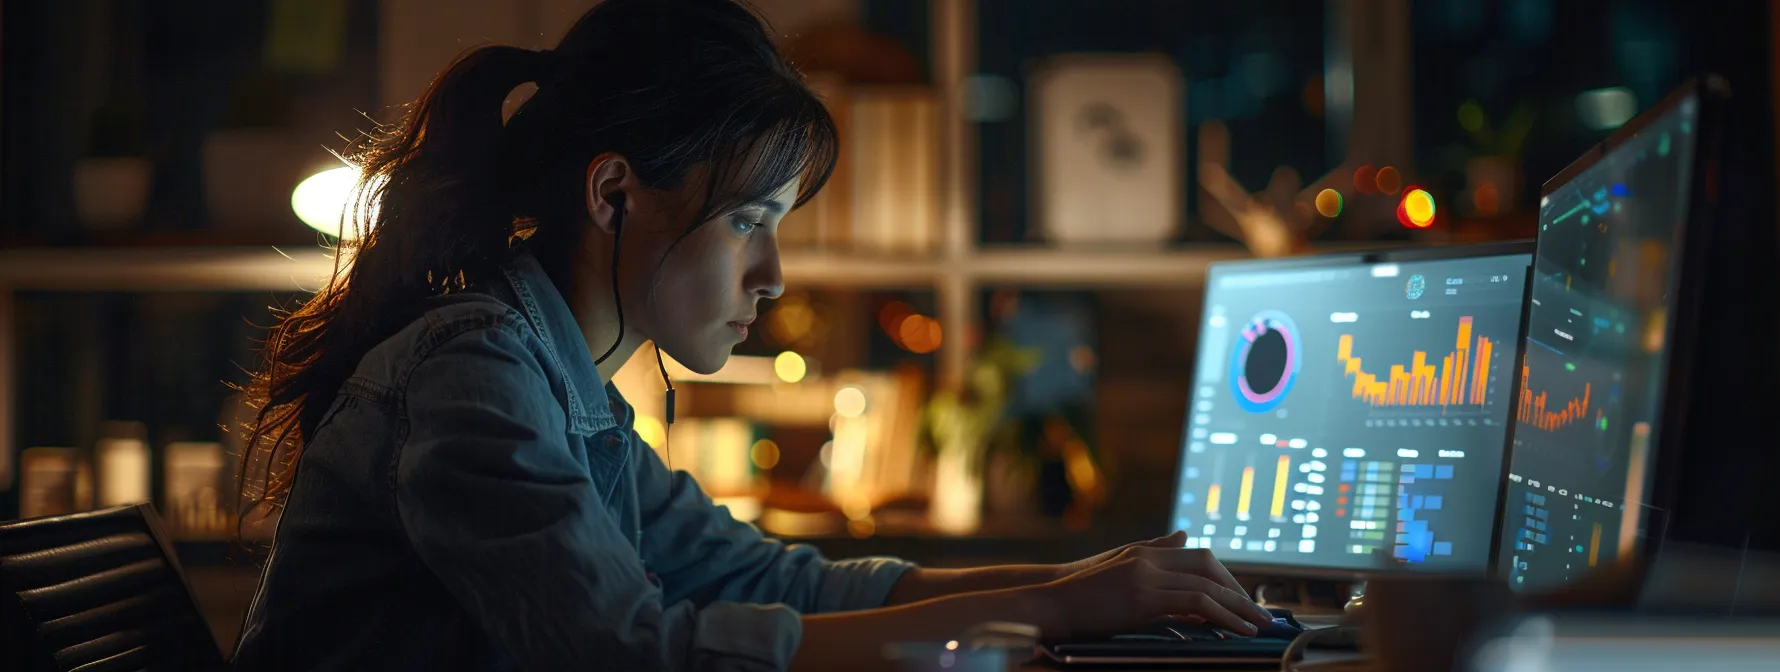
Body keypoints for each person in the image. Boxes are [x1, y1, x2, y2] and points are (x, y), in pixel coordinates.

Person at [230, 0, 1273, 669]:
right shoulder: (475, 371)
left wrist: (1078, 584)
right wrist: (1058, 614)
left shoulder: (558, 379)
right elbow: (630, 656)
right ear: (612, 194)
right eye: (747, 222)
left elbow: (778, 584)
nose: (770, 277)